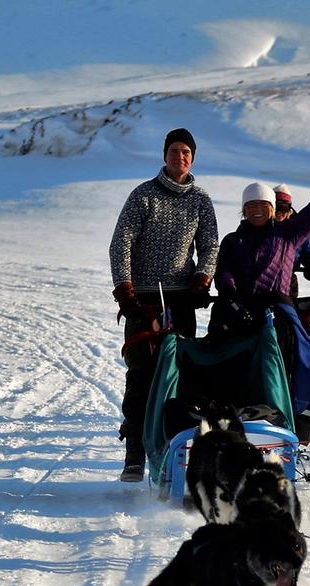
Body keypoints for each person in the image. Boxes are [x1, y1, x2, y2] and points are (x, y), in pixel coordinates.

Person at [211, 137, 310, 438]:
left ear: (272, 208)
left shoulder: (288, 235)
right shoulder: (232, 241)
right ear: (243, 209)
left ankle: (294, 431)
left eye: (263, 205)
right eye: (250, 205)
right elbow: (223, 271)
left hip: (277, 315)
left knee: (306, 369)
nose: (256, 210)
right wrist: (230, 296)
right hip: (237, 313)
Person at [108, 127, 219, 482]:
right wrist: (125, 291)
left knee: (179, 376)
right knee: (140, 373)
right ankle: (135, 453)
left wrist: (202, 280)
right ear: (165, 155)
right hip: (142, 301)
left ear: (193, 158)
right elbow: (121, 243)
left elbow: (210, 245)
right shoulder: (144, 195)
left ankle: (175, 453)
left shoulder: (200, 200)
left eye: (186, 151)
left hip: (181, 299)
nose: (179, 157)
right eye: (174, 150)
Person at [273, 183, 310, 293]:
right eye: (275, 207)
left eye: (283, 208)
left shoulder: (300, 229)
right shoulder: (258, 225)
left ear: (289, 208)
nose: (279, 212)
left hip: (287, 283)